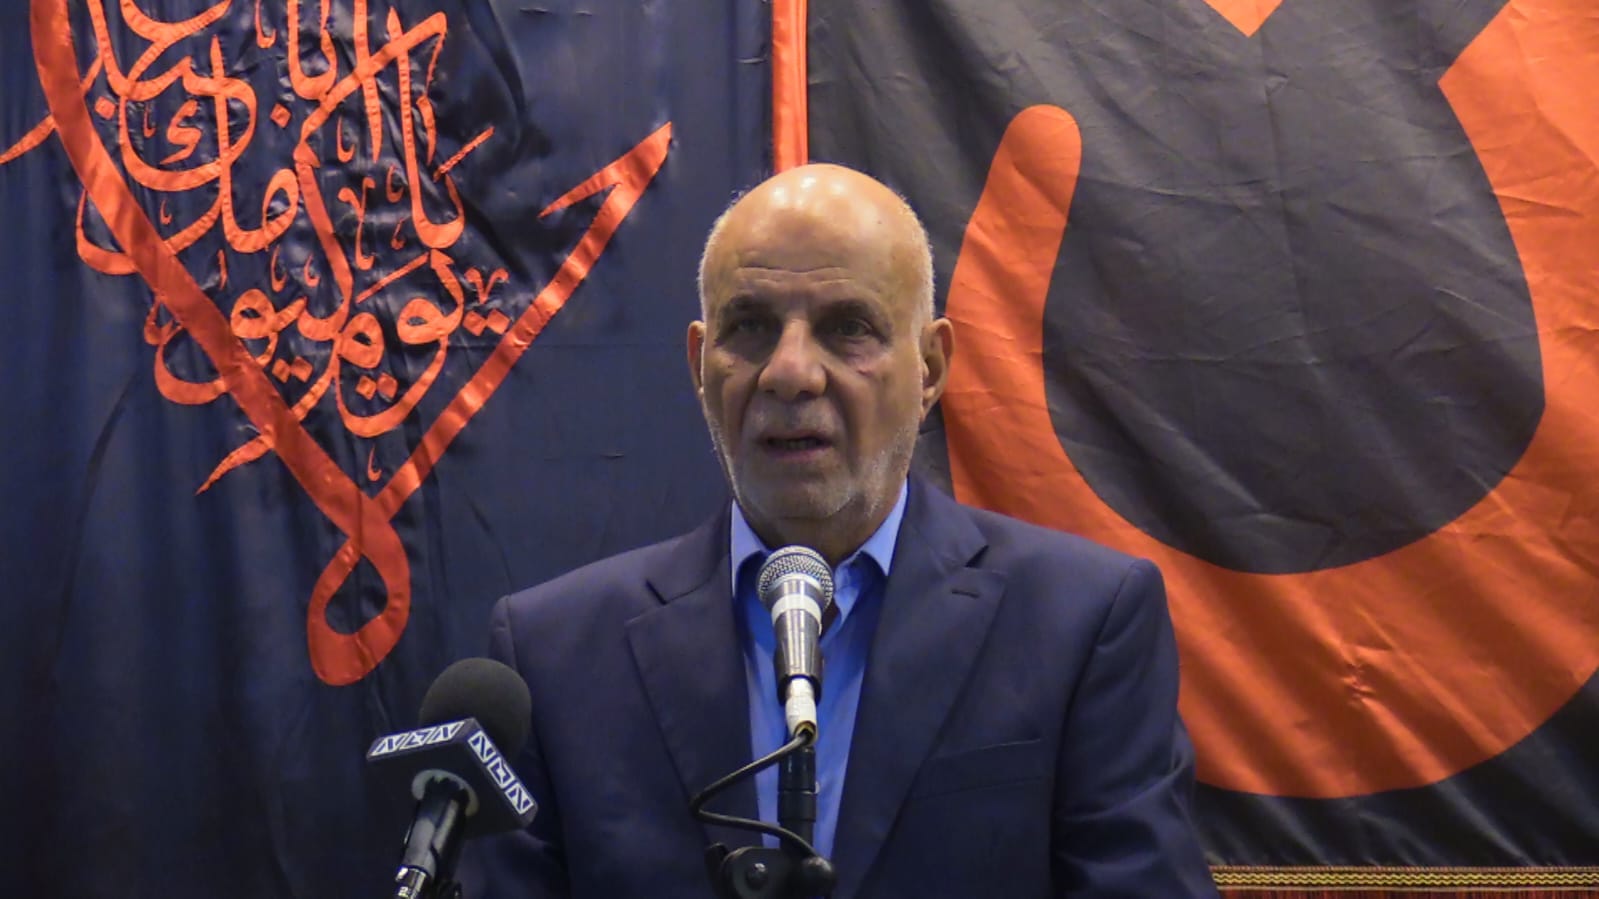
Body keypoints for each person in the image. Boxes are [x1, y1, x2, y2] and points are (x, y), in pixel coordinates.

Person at [465, 163, 1217, 897]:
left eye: (848, 328)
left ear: (930, 369)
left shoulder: (1080, 623)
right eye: (749, 327)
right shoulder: (553, 655)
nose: (790, 373)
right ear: (699, 365)